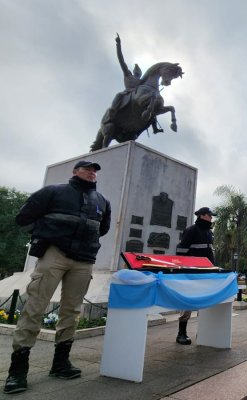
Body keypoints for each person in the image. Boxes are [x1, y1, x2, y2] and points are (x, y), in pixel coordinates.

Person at [4, 161, 111, 394]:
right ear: (75, 172)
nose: (92, 172)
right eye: (87, 169)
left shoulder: (102, 201)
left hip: (84, 260)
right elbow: (24, 218)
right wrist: (46, 234)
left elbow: (102, 228)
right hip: (54, 254)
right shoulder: (53, 192)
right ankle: (17, 371)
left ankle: (60, 363)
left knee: (72, 311)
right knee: (35, 307)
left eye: (94, 170)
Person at [174, 207, 216, 345]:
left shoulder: (209, 232)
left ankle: (203, 332)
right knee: (187, 302)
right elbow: (181, 251)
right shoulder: (191, 230)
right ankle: (181, 333)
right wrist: (185, 269)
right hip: (191, 272)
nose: (211, 218)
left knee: (204, 302)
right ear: (202, 216)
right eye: (210, 215)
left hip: (206, 272)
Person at [111, 34, 162, 134]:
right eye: (137, 72)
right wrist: (118, 45)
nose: (138, 73)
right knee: (118, 95)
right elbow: (121, 60)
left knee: (152, 105)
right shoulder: (128, 75)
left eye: (140, 72)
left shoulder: (142, 82)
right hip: (128, 93)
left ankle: (154, 127)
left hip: (139, 96)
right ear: (134, 72)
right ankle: (113, 111)